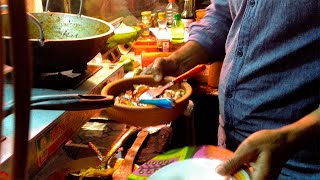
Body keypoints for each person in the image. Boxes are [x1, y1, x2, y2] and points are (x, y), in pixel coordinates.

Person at [142, 0, 320, 179]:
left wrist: (289, 138)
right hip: (230, 145)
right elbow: (224, 12)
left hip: (297, 164)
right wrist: (179, 61)